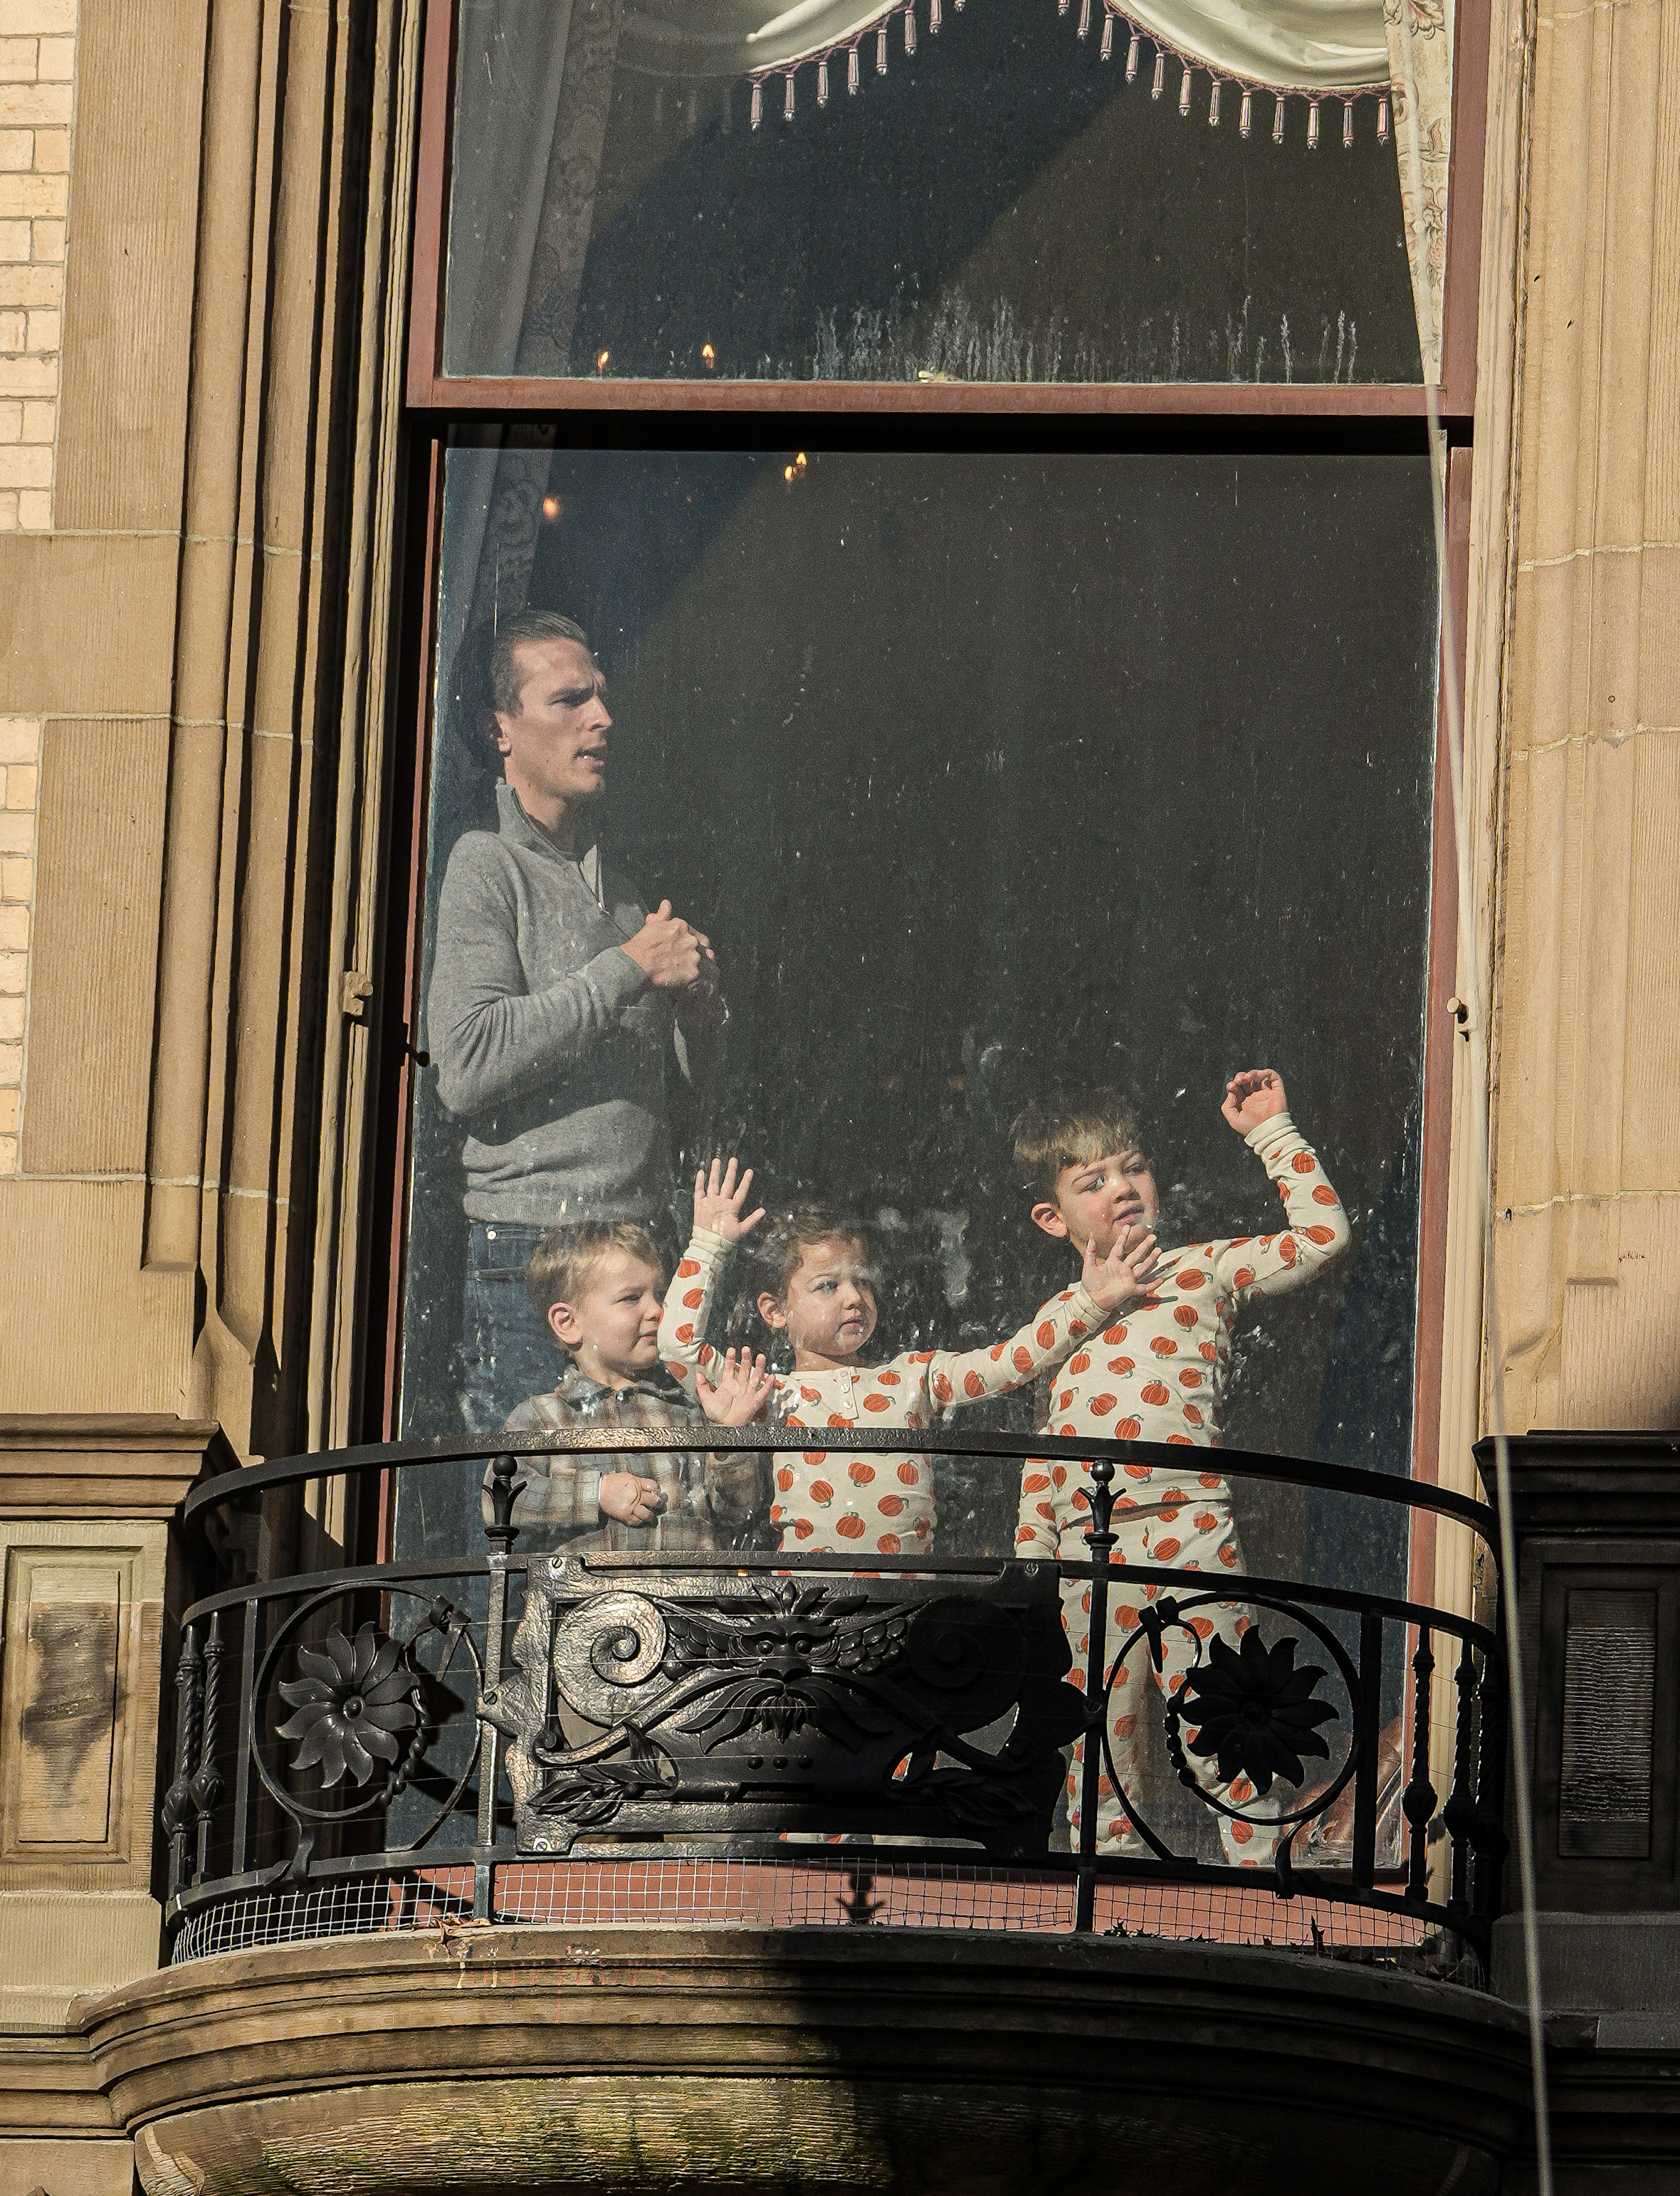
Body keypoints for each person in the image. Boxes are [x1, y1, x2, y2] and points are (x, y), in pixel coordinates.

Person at [1009, 1067, 1351, 1859]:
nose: (1121, 1187)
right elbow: (1042, 1445)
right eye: (1091, 1180)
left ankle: (1257, 1880)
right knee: (1096, 1735)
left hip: (1186, 1524)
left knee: (1226, 1716)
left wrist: (1271, 1130)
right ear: (1051, 1216)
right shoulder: (1058, 1317)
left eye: (1132, 1166)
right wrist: (1030, 1570)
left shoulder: (1202, 1268)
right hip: (1085, 1554)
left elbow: (1321, 1237)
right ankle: (1106, 1886)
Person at [423, 609, 725, 1432]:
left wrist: (697, 1014)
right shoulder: (482, 864)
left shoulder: (619, 888)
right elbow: (468, 1063)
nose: (602, 717)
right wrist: (629, 966)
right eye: (569, 700)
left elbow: (673, 1092)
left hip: (637, 1244)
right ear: (500, 730)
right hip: (532, 1252)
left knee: (636, 1518)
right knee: (535, 1522)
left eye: (601, 697)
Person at [663, 1156, 1157, 1560]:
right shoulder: (766, 1392)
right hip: (811, 1604)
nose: (854, 1297)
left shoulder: (914, 1377)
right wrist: (708, 1245)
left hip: (911, 1601)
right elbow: (678, 1347)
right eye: (828, 1285)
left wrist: (1091, 1302)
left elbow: (1013, 1361)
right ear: (775, 1311)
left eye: (862, 1281)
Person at [495, 1217, 775, 1548]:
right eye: (631, 1298)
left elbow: (738, 1512)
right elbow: (500, 1501)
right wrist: (595, 1494)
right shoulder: (542, 1418)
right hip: (592, 1598)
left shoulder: (692, 1408)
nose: (657, 1310)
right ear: (568, 1322)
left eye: (659, 1295)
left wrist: (729, 1438)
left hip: (694, 1597)